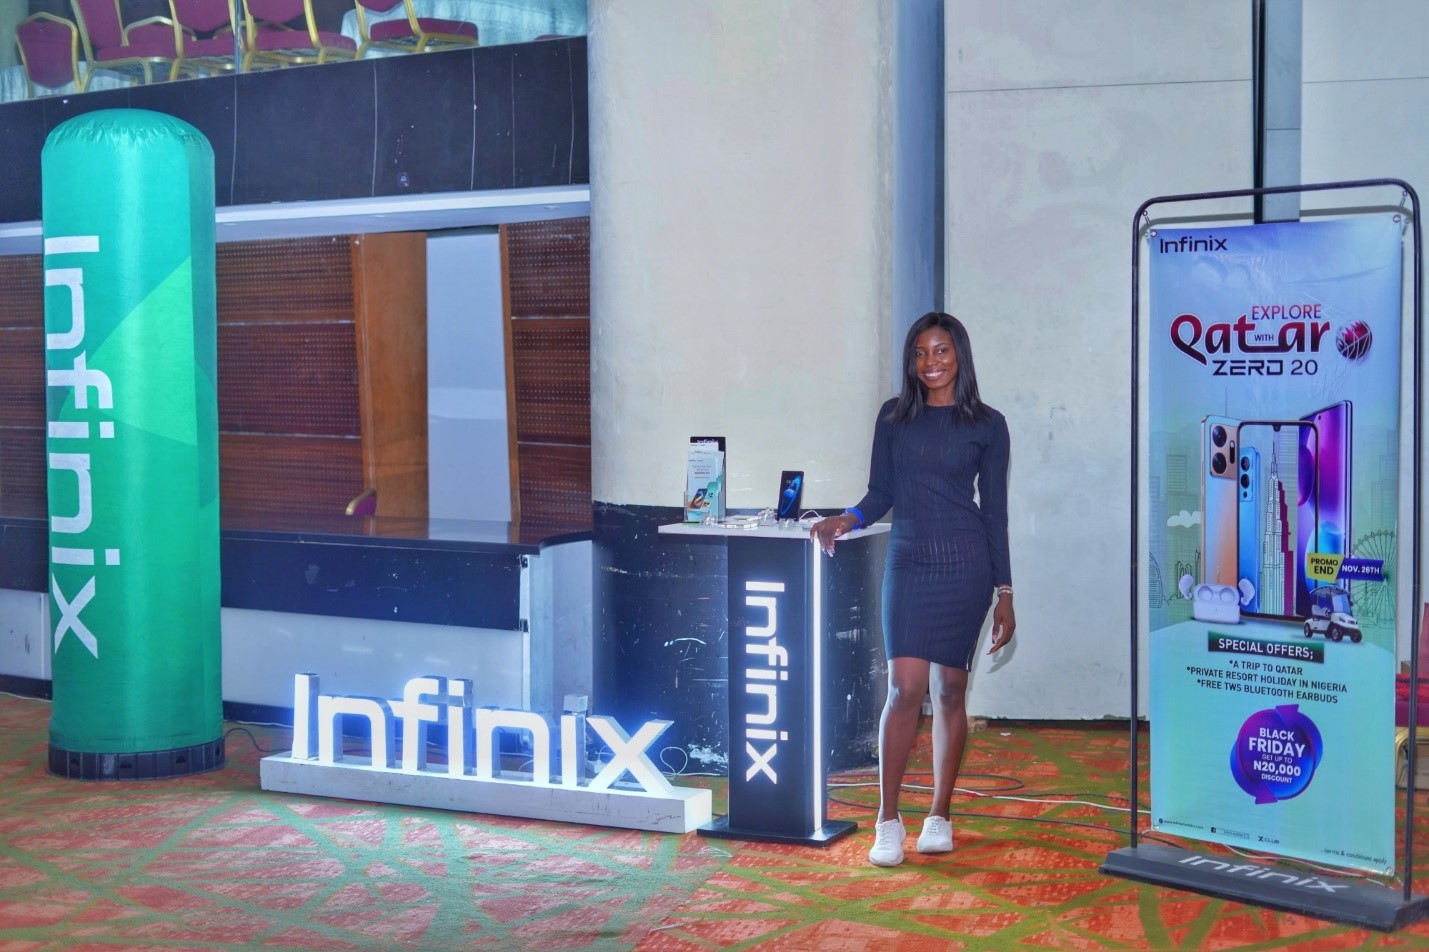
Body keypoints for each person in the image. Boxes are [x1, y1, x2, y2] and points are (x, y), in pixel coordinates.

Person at [810, 310, 1014, 867]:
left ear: (959, 355)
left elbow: (994, 512)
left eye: (941, 351)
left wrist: (1005, 591)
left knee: (949, 691)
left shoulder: (988, 425)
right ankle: (887, 819)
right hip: (908, 561)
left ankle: (939, 814)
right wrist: (846, 519)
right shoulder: (894, 416)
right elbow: (880, 492)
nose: (931, 362)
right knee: (904, 689)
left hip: (966, 564)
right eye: (921, 353)